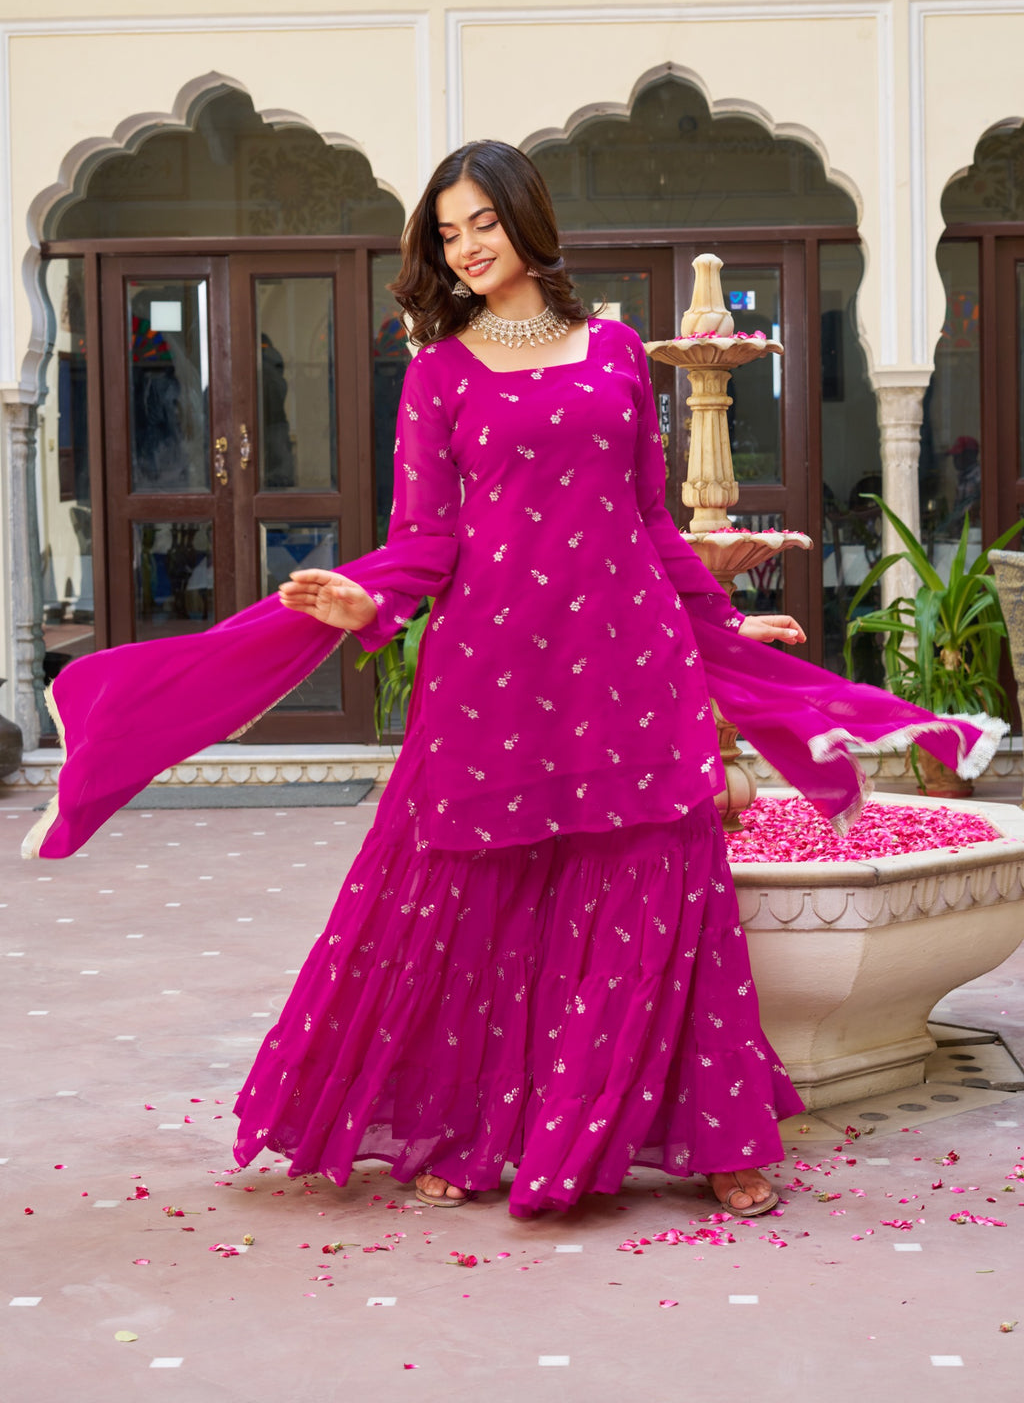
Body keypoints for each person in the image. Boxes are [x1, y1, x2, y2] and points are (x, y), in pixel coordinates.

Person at [25, 143, 1004, 1222]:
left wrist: (722, 625)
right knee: (481, 898)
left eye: (481, 221)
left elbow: (645, 518)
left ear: (525, 222)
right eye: (447, 232)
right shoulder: (438, 373)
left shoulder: (621, 351)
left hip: (629, 662)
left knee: (664, 889)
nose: (466, 246)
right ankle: (471, 1125)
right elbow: (425, 538)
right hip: (490, 669)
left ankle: (718, 1135)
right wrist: (368, 601)